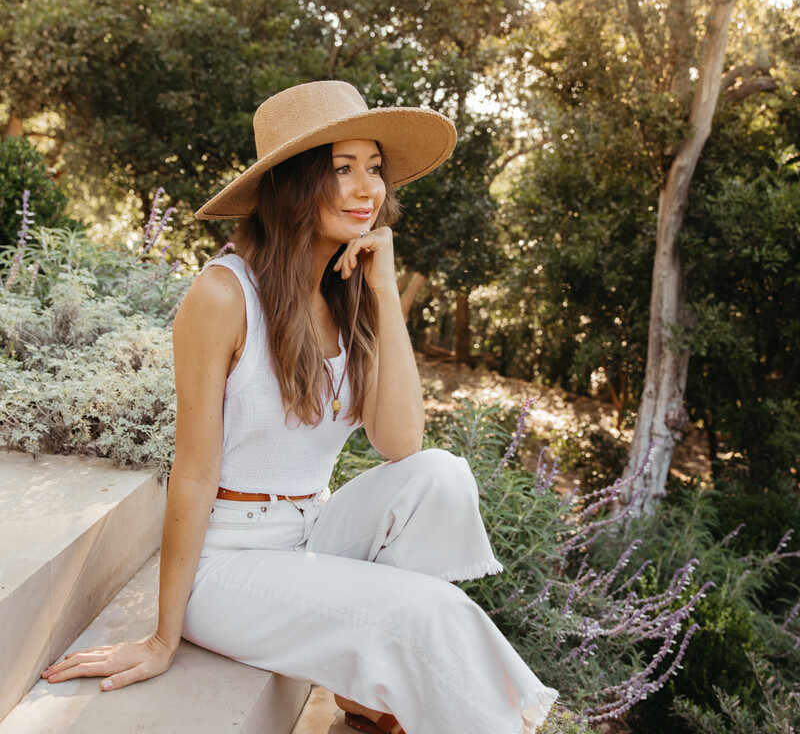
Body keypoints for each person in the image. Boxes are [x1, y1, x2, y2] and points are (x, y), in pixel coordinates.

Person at [42, 81, 558, 734]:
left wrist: (383, 287)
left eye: (374, 168)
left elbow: (402, 444)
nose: (367, 188)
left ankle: (369, 687)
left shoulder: (348, 295)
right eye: (342, 169)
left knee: (443, 475)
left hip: (313, 531)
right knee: (428, 612)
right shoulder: (224, 295)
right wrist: (162, 637)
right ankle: (399, 686)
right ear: (294, 182)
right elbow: (194, 472)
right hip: (228, 564)